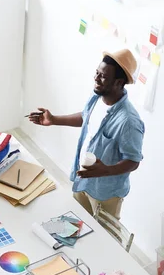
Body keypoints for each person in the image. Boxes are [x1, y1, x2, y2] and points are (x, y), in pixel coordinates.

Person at [29, 49, 144, 220]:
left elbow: (133, 161)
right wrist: (53, 120)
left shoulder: (129, 121)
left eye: (103, 76)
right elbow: (85, 117)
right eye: (97, 73)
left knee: (104, 237)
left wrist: (106, 170)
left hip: (105, 192)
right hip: (83, 178)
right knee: (76, 224)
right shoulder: (97, 96)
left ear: (119, 82)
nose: (96, 79)